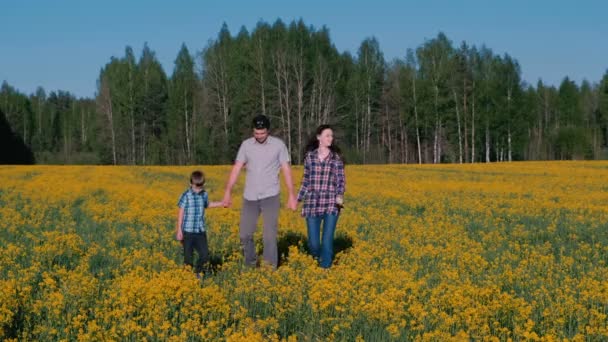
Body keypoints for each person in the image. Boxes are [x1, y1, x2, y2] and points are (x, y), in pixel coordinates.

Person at [222, 114, 297, 268]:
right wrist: (228, 191)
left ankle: (269, 267)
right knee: (244, 234)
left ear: (268, 131)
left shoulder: (278, 145)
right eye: (256, 133)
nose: (259, 136)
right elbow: (237, 168)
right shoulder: (246, 145)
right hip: (250, 197)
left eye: (262, 133)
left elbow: (286, 170)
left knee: (269, 235)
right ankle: (251, 263)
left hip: (270, 196)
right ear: (253, 131)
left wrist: (291, 194)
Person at [297, 124, 345, 268]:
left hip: (331, 203)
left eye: (331, 136)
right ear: (319, 137)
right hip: (312, 203)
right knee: (313, 243)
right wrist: (297, 198)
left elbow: (341, 180)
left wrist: (339, 196)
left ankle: (325, 270)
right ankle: (317, 260)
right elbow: (305, 180)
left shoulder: (336, 158)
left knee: (327, 240)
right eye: (327, 135)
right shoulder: (310, 158)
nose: (331, 138)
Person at [175, 170, 223, 278]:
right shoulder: (186, 195)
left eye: (200, 187)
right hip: (187, 231)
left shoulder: (204, 194)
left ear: (203, 184)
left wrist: (221, 203)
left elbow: (207, 205)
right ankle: (186, 278)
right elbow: (181, 213)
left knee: (205, 255)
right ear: (190, 184)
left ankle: (197, 273)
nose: (198, 189)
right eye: (196, 187)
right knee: (188, 257)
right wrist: (179, 230)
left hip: (200, 231)